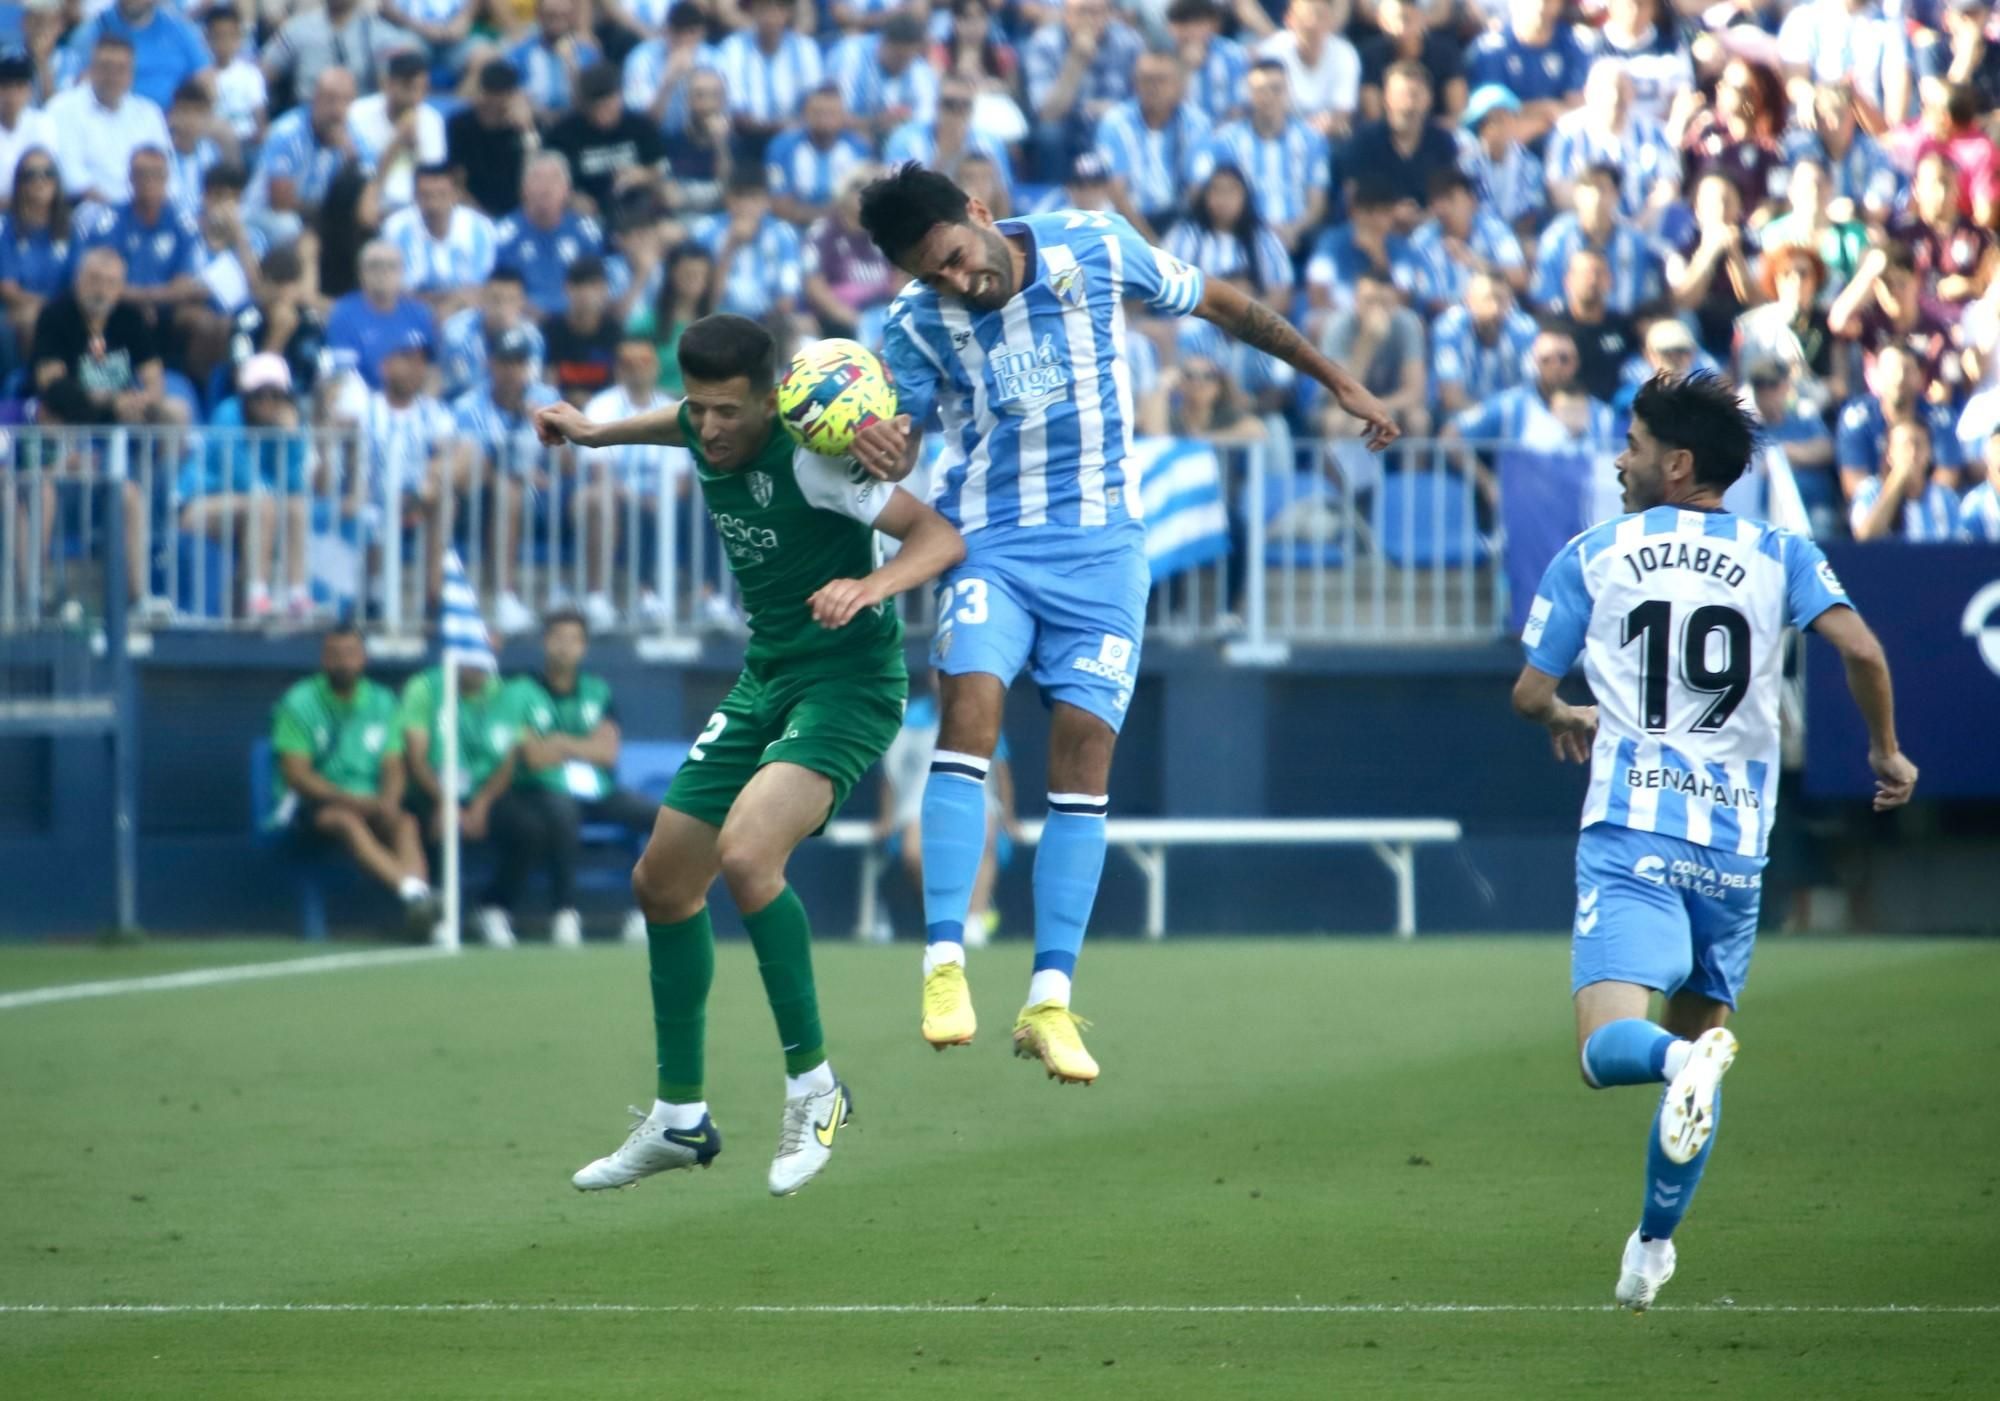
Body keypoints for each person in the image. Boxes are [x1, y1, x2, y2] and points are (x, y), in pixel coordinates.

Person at [854, 163, 1396, 1079]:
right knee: (970, 712)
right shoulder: (913, 321)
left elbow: (1222, 304)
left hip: (1105, 555)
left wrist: (1335, 379)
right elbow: (902, 437)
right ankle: (944, 964)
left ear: (979, 214)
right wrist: (879, 440)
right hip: (990, 540)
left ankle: (1049, 1001)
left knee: (1083, 754)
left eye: (952, 256)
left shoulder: (1094, 245)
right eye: (929, 272)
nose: (953, 280)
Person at [533, 312, 968, 1198]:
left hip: (849, 683)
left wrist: (869, 583)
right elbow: (678, 423)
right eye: (700, 407)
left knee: (745, 854)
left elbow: (939, 538)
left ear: (773, 402)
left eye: (731, 410)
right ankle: (679, 1119)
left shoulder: (818, 458)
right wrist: (596, 431)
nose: (712, 426)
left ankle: (817, 1089)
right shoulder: (702, 423)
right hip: (765, 676)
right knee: (662, 882)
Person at [1511, 371, 1917, 1312]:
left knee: (1612, 1048)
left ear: (1677, 463)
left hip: (1633, 827)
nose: (1621, 459)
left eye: (1636, 444)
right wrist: (1887, 753)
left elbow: (1530, 691)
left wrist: (1565, 710)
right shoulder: (1783, 552)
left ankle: (1673, 1068)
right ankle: (1651, 1251)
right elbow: (1862, 650)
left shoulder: (1595, 553)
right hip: (1734, 855)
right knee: (1700, 1053)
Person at [504, 608, 658, 948]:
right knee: (562, 814)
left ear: (584, 647)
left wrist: (559, 743)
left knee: (657, 815)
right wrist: (582, 746)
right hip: (541, 791)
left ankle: (650, 910)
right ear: (545, 643)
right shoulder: (520, 690)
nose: (564, 647)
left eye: (573, 640)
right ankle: (564, 913)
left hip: (597, 791)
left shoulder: (597, 691)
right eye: (557, 639)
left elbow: (608, 753)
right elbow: (532, 755)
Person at [271, 623, 437, 933]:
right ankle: (417, 895)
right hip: (314, 807)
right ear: (323, 659)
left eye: (350, 654)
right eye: (334, 655)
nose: (343, 662)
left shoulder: (383, 701)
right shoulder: (299, 702)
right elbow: (297, 775)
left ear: (363, 659)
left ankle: (420, 910)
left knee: (405, 822)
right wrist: (353, 801)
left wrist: (389, 799)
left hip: (371, 801)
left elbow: (393, 761)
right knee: (347, 821)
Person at [396, 648, 529, 948]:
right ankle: (439, 916)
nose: (477, 668)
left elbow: (510, 758)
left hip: (484, 793)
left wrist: (481, 804)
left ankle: (492, 909)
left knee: (527, 827)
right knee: (436, 824)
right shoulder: (425, 688)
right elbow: (416, 759)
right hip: (432, 791)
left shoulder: (504, 693)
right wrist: (448, 803)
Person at [875, 669, 1018, 945]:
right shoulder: (911, 719)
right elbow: (891, 773)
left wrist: (1008, 818)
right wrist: (886, 817)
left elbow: (1001, 772)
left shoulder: (980, 712)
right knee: (913, 852)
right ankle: (944, 916)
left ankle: (974, 920)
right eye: (936, 674)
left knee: (985, 833)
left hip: (974, 790)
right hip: (918, 796)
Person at [579, 335, 686, 625]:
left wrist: (664, 498)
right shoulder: (601, 407)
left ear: (655, 368)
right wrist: (633, 496)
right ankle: (602, 597)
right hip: (618, 496)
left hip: (664, 499)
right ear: (618, 370)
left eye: (644, 362)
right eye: (628, 363)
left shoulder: (670, 409)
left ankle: (712, 597)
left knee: (703, 506)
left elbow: (682, 477)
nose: (636, 369)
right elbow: (598, 472)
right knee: (608, 502)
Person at [47, 34, 170, 207]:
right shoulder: (62, 108)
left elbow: (164, 170)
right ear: (91, 69)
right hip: (86, 209)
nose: (112, 76)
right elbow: (70, 175)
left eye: (121, 69)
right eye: (105, 67)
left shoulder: (149, 113)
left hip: (144, 209)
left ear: (131, 73)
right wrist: (118, 212)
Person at [547, 61, 667, 220]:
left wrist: (643, 175)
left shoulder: (640, 126)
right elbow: (547, 176)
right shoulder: (563, 133)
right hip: (584, 211)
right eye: (598, 109)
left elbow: (660, 167)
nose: (604, 115)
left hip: (634, 208)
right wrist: (570, 197)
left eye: (610, 107)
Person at [494, 153, 607, 320]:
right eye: (537, 179)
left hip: (574, 320)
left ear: (567, 190)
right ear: (523, 188)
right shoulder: (503, 234)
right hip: (522, 318)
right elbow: (495, 289)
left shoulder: (587, 232)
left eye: (554, 179)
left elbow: (598, 285)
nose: (545, 187)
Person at [384, 163, 499, 316]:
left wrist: (444, 304)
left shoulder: (480, 228)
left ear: (456, 194)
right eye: (425, 195)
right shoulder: (396, 228)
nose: (433, 204)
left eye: (441, 194)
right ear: (414, 196)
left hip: (466, 313)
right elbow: (395, 292)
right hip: (410, 314)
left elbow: (480, 290)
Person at [327, 240, 441, 390]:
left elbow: (433, 370)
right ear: (361, 273)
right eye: (374, 266)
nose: (383, 272)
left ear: (402, 272)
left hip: (413, 403)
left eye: (391, 266)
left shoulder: (419, 314)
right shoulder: (343, 314)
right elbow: (343, 376)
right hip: (364, 400)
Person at [346, 49, 447, 218]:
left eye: (421, 88)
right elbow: (363, 177)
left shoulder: (431, 119)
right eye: (408, 86)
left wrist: (416, 148)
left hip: (416, 207)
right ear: (388, 84)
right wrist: (397, 142)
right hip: (369, 200)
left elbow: (433, 178)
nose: (415, 96)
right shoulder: (358, 114)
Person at [764, 83, 873, 228]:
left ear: (843, 116)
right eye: (818, 113)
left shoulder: (859, 149)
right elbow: (780, 207)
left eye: (832, 114)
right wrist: (832, 214)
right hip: (795, 231)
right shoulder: (781, 148)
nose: (824, 120)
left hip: (845, 232)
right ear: (805, 115)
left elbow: (863, 204)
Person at [447, 60, 536, 220]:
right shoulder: (460, 125)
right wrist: (483, 218)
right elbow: (457, 181)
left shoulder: (526, 126)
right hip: (473, 211)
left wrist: (526, 130)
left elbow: (534, 174)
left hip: (518, 213)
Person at [1849, 417, 1962, 541]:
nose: (1912, 453)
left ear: (1929, 452)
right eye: (1905, 446)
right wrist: (1897, 481)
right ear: (1890, 454)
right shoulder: (1870, 491)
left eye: (1918, 445)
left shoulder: (1946, 498)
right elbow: (1864, 536)